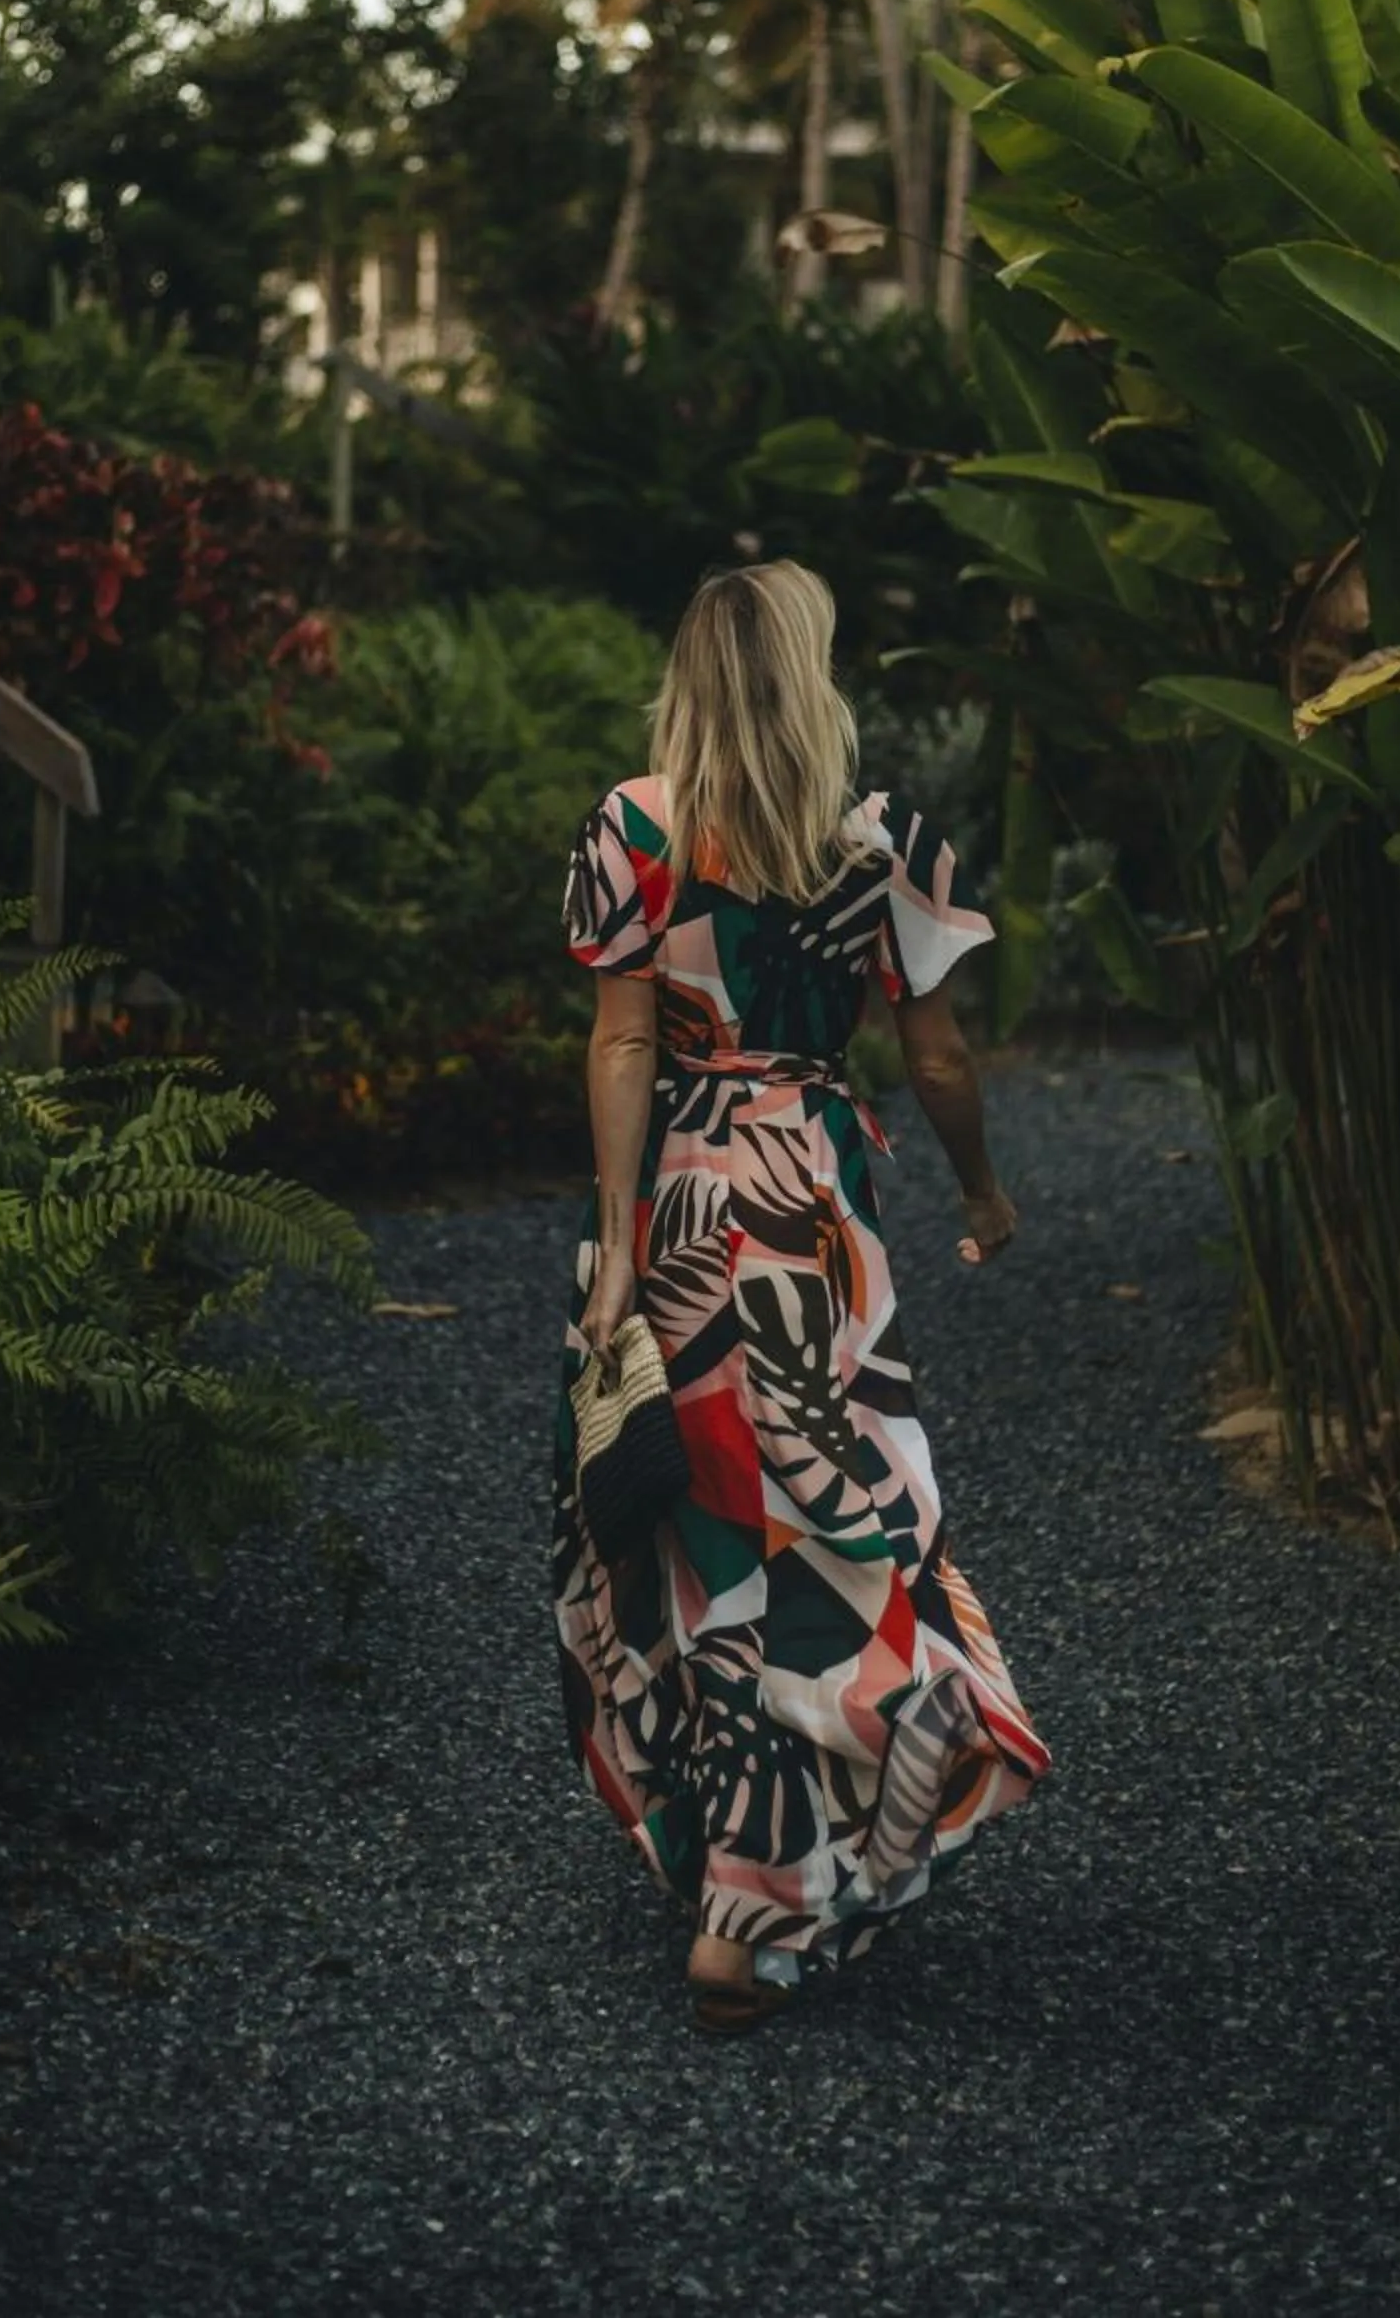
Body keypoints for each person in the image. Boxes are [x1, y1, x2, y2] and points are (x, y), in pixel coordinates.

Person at [552, 559, 1053, 2034]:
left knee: (706, 1541)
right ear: (810, 672)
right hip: (816, 1222)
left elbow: (623, 1046)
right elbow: (942, 1059)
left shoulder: (632, 828)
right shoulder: (883, 839)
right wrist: (979, 1190)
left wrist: (624, 1256)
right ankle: (761, 1900)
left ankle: (727, 1867)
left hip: (686, 1216)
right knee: (842, 1531)